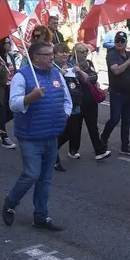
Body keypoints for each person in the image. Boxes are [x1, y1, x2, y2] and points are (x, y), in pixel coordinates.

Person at [3, 41, 70, 232]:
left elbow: (66, 98)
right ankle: (10, 202)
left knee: (45, 178)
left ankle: (41, 215)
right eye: (47, 54)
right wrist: (30, 97)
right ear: (36, 57)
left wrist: (64, 115)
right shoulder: (22, 76)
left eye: (52, 54)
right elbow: (13, 104)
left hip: (52, 135)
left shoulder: (56, 74)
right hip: (31, 136)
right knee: (32, 174)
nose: (52, 57)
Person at [101, 30, 130, 156]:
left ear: (126, 42)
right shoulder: (112, 54)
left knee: (127, 120)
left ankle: (125, 146)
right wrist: (129, 61)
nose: (119, 43)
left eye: (122, 41)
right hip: (117, 92)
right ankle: (103, 138)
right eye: (117, 40)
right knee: (115, 118)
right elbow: (116, 70)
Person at [71, 42, 111, 160]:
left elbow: (93, 77)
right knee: (75, 128)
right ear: (75, 53)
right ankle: (73, 150)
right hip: (77, 101)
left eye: (86, 51)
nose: (84, 54)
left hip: (90, 100)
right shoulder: (71, 65)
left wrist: (89, 77)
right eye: (81, 51)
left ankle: (99, 151)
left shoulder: (89, 63)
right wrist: (79, 72)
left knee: (93, 126)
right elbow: (84, 79)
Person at [53, 43, 84, 171]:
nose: (65, 54)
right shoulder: (52, 68)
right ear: (54, 55)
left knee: (73, 131)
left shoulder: (72, 65)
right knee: (60, 131)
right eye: (61, 52)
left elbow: (85, 81)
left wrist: (79, 71)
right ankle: (54, 158)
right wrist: (59, 74)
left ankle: (52, 149)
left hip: (74, 104)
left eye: (66, 51)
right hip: (59, 105)